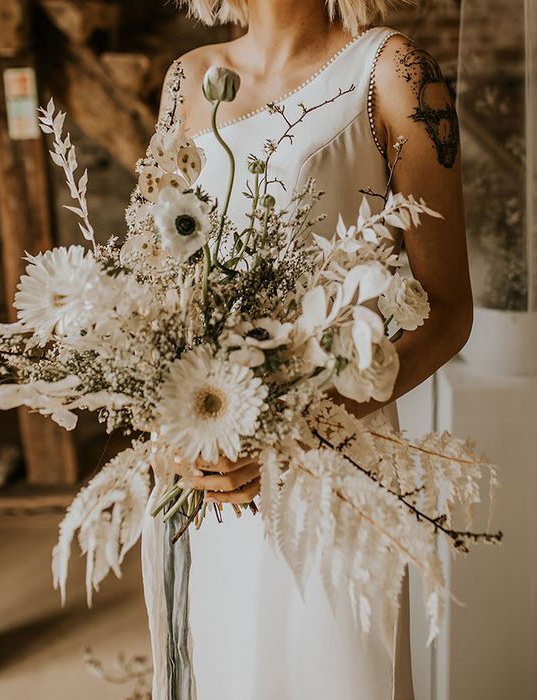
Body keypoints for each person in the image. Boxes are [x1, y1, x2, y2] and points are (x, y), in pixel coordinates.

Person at [151, 1, 471, 697]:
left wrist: (302, 420)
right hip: (214, 466)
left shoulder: (391, 70)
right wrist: (173, 426)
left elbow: (449, 310)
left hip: (337, 459)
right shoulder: (188, 77)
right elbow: (160, 292)